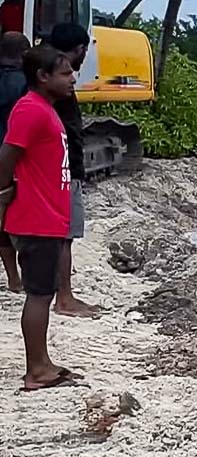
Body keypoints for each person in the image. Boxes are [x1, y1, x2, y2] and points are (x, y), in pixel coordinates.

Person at [0, 45, 82, 391]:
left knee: (43, 293)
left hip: (47, 216)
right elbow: (6, 156)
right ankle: (36, 370)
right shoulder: (31, 109)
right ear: (42, 76)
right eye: (65, 73)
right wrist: (3, 194)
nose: (73, 78)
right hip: (35, 218)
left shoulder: (45, 109)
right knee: (38, 294)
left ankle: (43, 362)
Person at [50, 22, 99, 317]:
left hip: (58, 168)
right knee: (64, 235)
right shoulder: (56, 88)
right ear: (79, 49)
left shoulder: (40, 77)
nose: (72, 79)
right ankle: (64, 298)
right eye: (67, 74)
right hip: (64, 170)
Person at [0, 30, 28, 292]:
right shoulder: (26, 85)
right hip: (15, 159)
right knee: (17, 221)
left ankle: (13, 278)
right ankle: (22, 277)